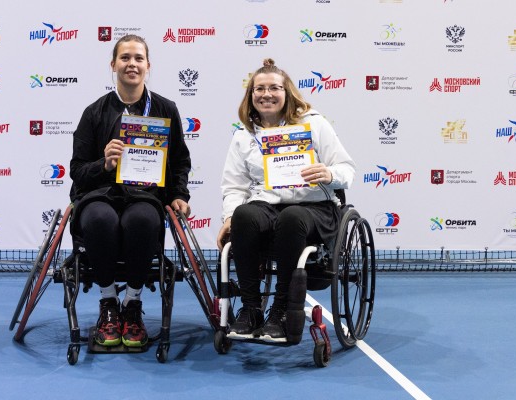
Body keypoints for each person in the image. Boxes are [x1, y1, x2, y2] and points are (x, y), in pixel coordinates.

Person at [216, 59, 356, 342]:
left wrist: (329, 173)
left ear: (287, 92)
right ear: (251, 95)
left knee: (292, 217)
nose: (266, 94)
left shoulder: (313, 124)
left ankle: (281, 310)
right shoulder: (244, 135)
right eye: (259, 89)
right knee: (244, 215)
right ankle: (251, 309)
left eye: (274, 88)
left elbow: (347, 170)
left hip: (314, 206)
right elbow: (234, 186)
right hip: (268, 206)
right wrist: (229, 217)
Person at [70, 34, 191, 348]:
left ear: (148, 65)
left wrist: (179, 195)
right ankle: (109, 302)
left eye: (138, 58)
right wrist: (104, 165)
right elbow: (77, 171)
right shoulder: (94, 112)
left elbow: (180, 161)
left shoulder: (165, 109)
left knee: (143, 220)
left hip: (144, 196)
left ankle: (132, 304)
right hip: (100, 195)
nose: (132, 64)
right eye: (125, 58)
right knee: (100, 219)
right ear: (113, 65)